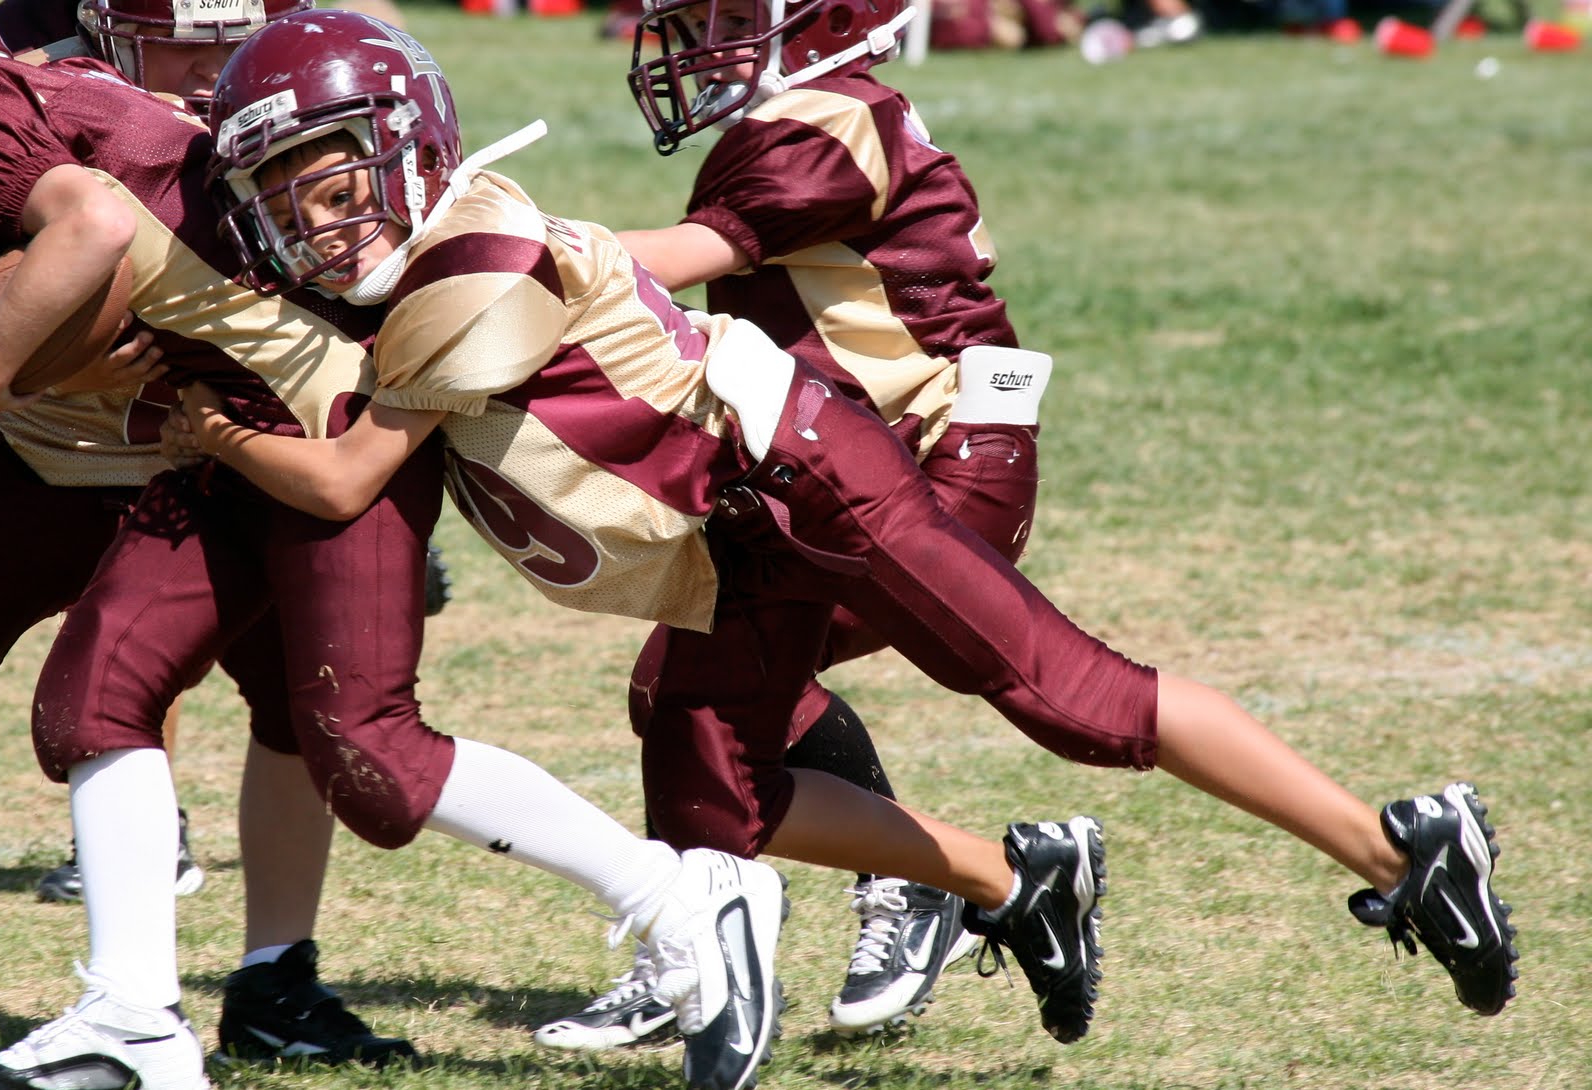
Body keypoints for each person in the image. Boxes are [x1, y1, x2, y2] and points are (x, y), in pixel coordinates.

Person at [189, 6, 1517, 1053]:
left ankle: (1409, 849)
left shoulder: (543, 233)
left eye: (339, 178)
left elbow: (350, 470)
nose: (321, 217)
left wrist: (208, 419)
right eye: (291, 193)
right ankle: (1008, 880)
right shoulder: (462, 242)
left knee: (1075, 695)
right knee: (712, 788)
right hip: (745, 527)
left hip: (829, 477)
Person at [0, 53, 785, 1090]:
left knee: (371, 750)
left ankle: (678, 897)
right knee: (94, 696)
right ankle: (133, 1017)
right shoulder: (46, 83)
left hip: (326, 410)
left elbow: (93, 229)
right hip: (233, 412)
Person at [587, 0, 1053, 1043]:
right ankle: (734, 941)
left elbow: (678, 257)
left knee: (690, 694)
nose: (693, 35)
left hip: (934, 464)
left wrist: (503, 254)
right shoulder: (814, 109)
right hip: (874, 460)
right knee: (701, 694)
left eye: (724, 12)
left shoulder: (827, 117)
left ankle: (906, 887)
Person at [0, 0, 428, 1066]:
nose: (206, 61)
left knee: (301, 703)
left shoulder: (276, 99)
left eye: (227, 31)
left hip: (207, 459)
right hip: (39, 456)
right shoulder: (51, 96)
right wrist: (50, 357)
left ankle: (274, 978)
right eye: (175, 34)